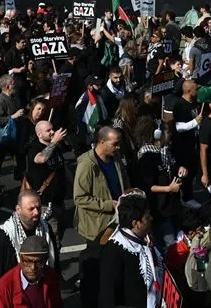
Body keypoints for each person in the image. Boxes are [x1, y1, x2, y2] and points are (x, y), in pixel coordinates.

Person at [73, 126, 129, 308]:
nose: (118, 147)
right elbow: (80, 198)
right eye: (115, 144)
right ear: (102, 142)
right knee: (97, 269)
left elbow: (124, 182)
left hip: (116, 222)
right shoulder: (87, 165)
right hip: (97, 227)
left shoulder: (116, 159)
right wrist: (108, 205)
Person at [0, 189, 59, 292]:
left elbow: (55, 267)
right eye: (31, 209)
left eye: (38, 208)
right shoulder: (1, 239)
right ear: (18, 210)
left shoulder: (46, 229)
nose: (36, 212)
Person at [99, 193, 164, 308]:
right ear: (136, 223)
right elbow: (109, 297)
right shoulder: (115, 251)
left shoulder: (145, 239)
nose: (151, 218)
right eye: (147, 217)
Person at [0, 235, 63, 308]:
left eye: (39, 262)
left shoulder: (50, 275)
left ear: (46, 260)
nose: (33, 267)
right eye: (27, 261)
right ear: (20, 258)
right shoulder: (4, 288)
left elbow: (57, 304)